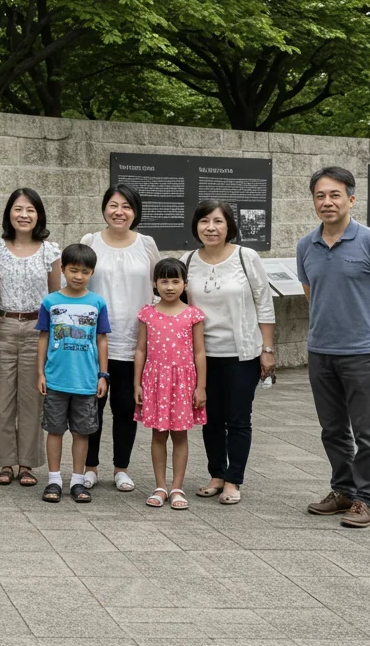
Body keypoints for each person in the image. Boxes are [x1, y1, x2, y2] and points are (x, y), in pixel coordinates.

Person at [298, 167, 370, 529]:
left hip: (362, 353)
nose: (327, 202)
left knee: (366, 431)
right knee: (332, 429)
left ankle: (366, 499)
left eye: (335, 195)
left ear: (351, 199)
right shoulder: (305, 246)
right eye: (320, 196)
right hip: (321, 351)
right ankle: (342, 490)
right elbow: (312, 297)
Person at [181, 201, 276, 505]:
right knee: (209, 417)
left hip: (241, 353)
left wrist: (267, 349)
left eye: (218, 222)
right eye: (205, 221)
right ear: (196, 226)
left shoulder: (246, 257)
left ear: (229, 226)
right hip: (201, 354)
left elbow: (264, 304)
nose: (211, 228)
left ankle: (234, 479)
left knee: (237, 418)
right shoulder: (187, 260)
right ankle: (216, 475)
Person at [80, 184, 160, 493]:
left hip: (134, 343)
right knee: (92, 407)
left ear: (135, 212)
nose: (119, 212)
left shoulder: (146, 244)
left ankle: (121, 468)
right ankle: (90, 466)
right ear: (104, 208)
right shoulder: (90, 242)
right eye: (113, 205)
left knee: (127, 406)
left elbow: (161, 285)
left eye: (126, 206)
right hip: (93, 341)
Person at [0, 187, 60, 486]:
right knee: (0, 397)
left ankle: (27, 463)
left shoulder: (50, 251)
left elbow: (55, 296)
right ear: (9, 214)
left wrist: (53, 335)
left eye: (30, 210)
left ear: (38, 214)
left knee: (32, 398)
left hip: (37, 330)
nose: (23, 215)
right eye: (18, 209)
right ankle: (5, 462)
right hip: (1, 326)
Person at [37, 243, 110, 504]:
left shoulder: (97, 303)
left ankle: (78, 481)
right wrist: (40, 373)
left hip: (87, 381)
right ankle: (54, 480)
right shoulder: (51, 302)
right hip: (56, 380)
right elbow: (43, 338)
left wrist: (103, 375)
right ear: (63, 270)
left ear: (92, 273)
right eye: (73, 270)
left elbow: (101, 340)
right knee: (54, 430)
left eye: (85, 271)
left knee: (82, 432)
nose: (78, 276)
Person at [134, 258, 207, 510]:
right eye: (164, 281)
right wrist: (137, 384)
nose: (169, 286)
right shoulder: (147, 314)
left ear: (185, 284)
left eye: (175, 281)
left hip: (183, 383)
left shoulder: (192, 315)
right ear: (155, 283)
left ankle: (177, 486)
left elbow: (199, 352)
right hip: (155, 381)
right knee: (157, 435)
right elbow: (141, 351)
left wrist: (201, 387)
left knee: (180, 435)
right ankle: (160, 485)